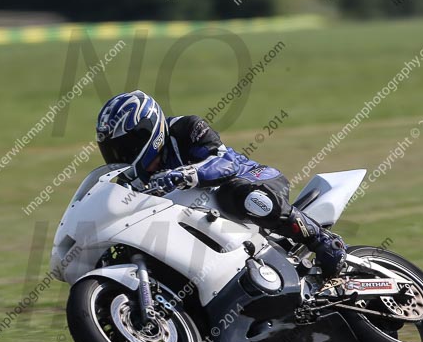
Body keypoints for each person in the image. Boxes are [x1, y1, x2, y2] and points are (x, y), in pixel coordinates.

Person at [95, 90, 345, 278]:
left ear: (149, 132)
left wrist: (187, 174)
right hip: (204, 223)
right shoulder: (128, 182)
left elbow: (225, 161)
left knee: (238, 194)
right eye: (113, 151)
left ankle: (321, 240)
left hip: (254, 180)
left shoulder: (186, 128)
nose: (121, 157)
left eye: (126, 147)